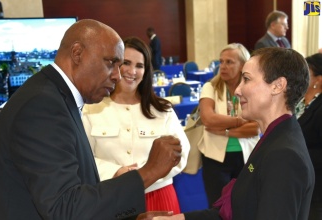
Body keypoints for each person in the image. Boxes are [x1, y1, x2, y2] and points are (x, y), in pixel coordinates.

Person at [0, 19, 182, 220]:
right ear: (77, 53)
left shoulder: (58, 98)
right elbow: (64, 208)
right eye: (111, 63)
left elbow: (77, 191)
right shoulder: (43, 105)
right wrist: (148, 172)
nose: (117, 76)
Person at [153, 47, 315, 220]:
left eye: (246, 79)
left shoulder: (284, 155)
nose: (238, 90)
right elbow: (235, 212)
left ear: (277, 86)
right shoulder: (275, 139)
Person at [82, 36, 190, 214]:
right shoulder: (91, 109)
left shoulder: (162, 110)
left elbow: (182, 154)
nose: (132, 71)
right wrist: (116, 172)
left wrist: (148, 174)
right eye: (126, 62)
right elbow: (83, 158)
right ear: (115, 65)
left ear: (146, 71)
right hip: (111, 199)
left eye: (140, 66)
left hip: (158, 197)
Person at [198, 43, 260, 207]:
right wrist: (240, 121)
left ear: (242, 66)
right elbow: (208, 119)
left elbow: (256, 128)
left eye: (229, 62)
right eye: (221, 61)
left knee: (246, 204)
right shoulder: (210, 87)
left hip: (246, 156)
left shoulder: (252, 89)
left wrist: (224, 131)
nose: (223, 66)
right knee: (219, 206)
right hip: (215, 158)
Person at [295, 53, 322, 220]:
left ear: (318, 80)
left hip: (316, 179)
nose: (300, 78)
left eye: (306, 73)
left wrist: (301, 156)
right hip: (295, 177)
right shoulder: (296, 101)